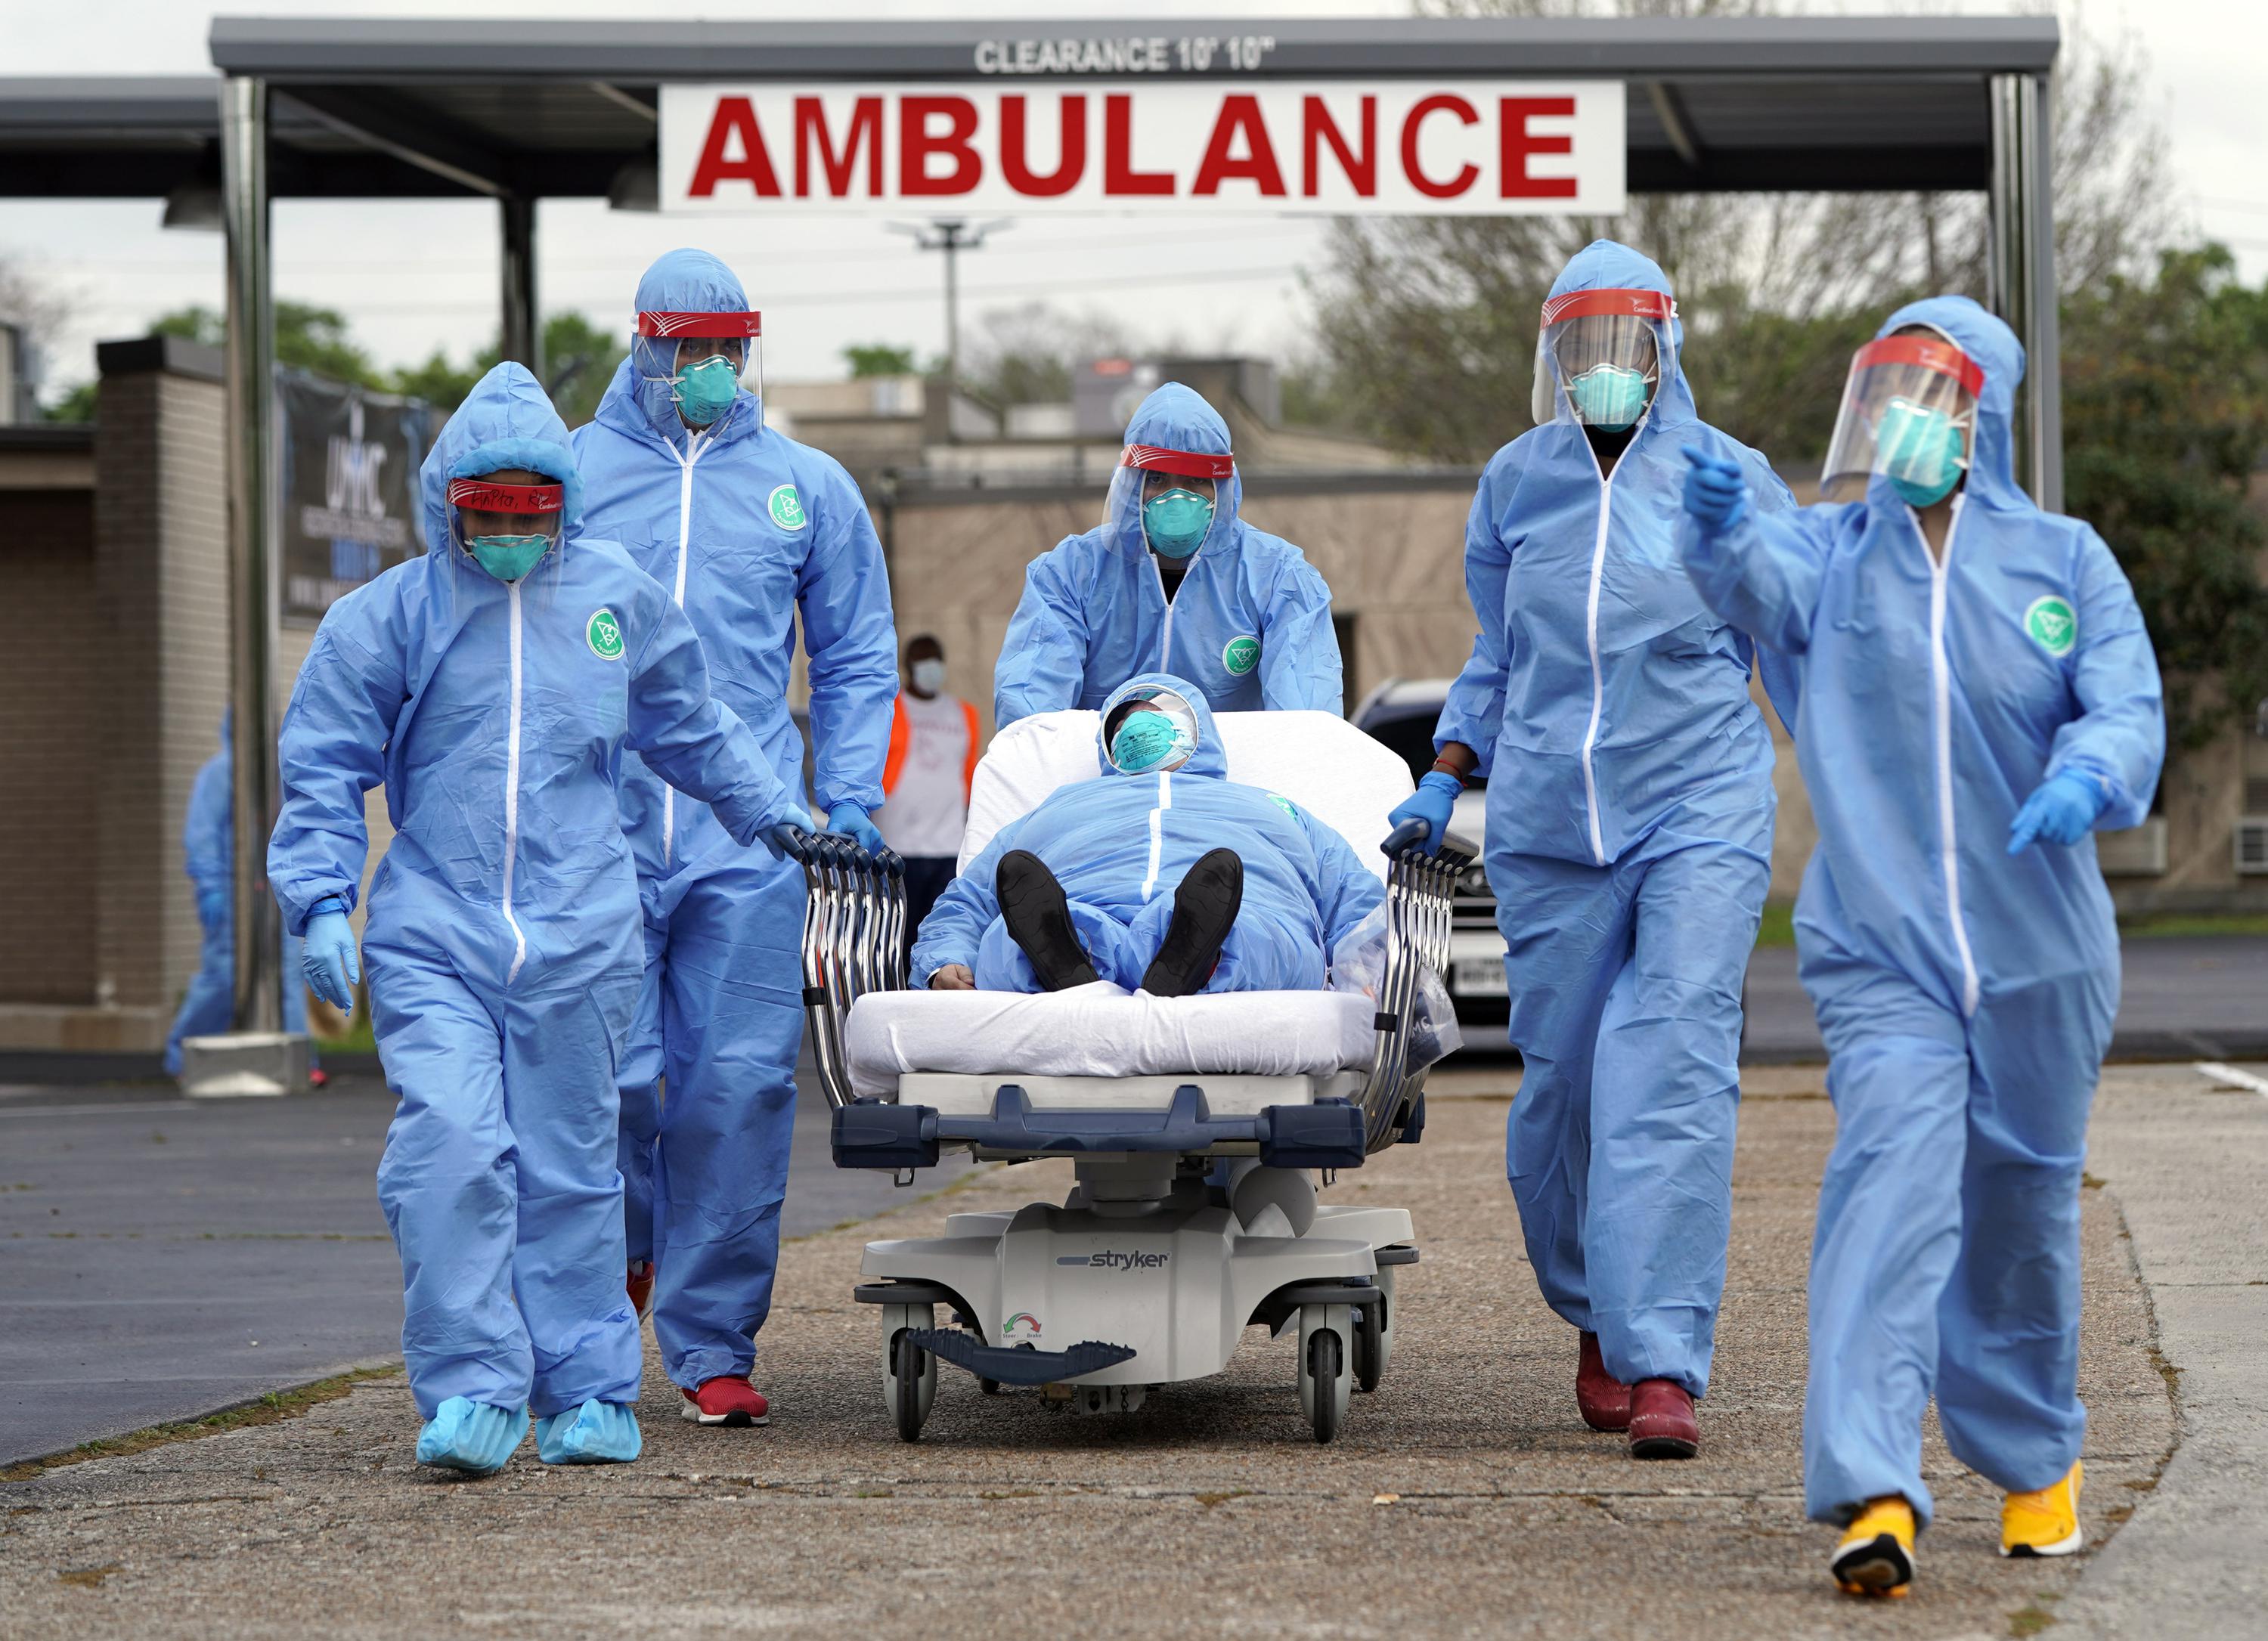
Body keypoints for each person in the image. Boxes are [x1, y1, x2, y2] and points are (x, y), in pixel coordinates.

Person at [1676, 296, 2164, 1597]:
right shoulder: (1834, 554)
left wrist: (2091, 769)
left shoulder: (2064, 562)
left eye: (1933, 397)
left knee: (2018, 1216)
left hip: (2044, 956)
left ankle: (2030, 1459)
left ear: (1983, 415)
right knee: (1891, 1183)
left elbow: (2125, 702)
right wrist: (1722, 529)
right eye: (1887, 395)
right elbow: (1755, 579)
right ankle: (1873, 1486)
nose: (1906, 422)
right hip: (1883, 947)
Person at [268, 363, 807, 1478]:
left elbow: (691, 724)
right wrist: (321, 895)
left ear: (563, 502)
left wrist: (770, 810)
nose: (512, 531)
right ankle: (473, 1384)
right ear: (449, 503)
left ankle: (589, 1388)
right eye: (489, 511)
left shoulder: (615, 599)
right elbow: (323, 764)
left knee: (572, 1166)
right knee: (452, 1150)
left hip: (583, 926)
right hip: (438, 932)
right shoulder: (389, 618)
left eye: (533, 509)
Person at [1383, 240, 1796, 1460]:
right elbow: (1500, 655)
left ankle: (1659, 1352)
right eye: (1584, 348)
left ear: (1666, 349)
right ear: (1553, 357)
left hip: (1699, 804)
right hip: (1554, 817)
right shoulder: (1517, 482)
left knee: (1669, 1062)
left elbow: (1800, 629)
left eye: (1628, 346)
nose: (1607, 369)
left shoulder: (1730, 475)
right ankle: (1595, 1310)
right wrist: (1446, 767)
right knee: (1561, 1083)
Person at [572, 249, 897, 1429]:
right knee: (600, 1083)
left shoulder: (807, 486)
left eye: (730, 348)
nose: (710, 369)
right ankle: (607, 1276)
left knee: (740, 1086)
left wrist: (848, 791)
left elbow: (857, 651)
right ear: (646, 343)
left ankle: (712, 1339)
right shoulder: (571, 469)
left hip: (749, 837)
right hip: (595, 828)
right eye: (689, 347)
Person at [915, 674, 1380, 996]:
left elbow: (1351, 891)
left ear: (1197, 728)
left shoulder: (1273, 806)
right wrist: (945, 960)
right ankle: (1071, 947)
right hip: (1082, 898)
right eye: (1123, 724)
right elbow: (972, 896)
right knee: (1012, 933)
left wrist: (1374, 970)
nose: (1138, 727)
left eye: (1156, 715)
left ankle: (1193, 950)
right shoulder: (1057, 806)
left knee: (1260, 934)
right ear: (1109, 745)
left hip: (1242, 907)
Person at [993, 383, 1341, 728]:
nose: (1177, 500)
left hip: (1233, 781)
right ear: (1131, 485)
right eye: (1158, 479)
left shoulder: (1279, 578)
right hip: (1103, 780)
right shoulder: (1069, 575)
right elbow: (1030, 717)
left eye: (1196, 481)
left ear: (1223, 485)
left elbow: (1308, 722)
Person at [163, 710, 322, 1085]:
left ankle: (300, 1061)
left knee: (286, 975)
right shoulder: (222, 773)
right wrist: (212, 889)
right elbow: (201, 838)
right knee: (223, 975)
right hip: (234, 895)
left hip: (277, 892)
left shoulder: (280, 773)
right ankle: (180, 1055)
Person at [877, 633, 983, 947]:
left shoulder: (964, 713)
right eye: (923, 662)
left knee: (940, 932)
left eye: (935, 661)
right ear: (908, 666)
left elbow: (968, 772)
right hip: (898, 843)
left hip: (948, 844)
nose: (931, 669)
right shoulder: (889, 709)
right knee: (899, 936)